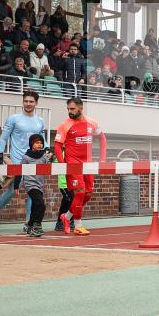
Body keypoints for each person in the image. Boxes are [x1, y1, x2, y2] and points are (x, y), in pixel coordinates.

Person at [0, 91, 46, 232]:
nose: (28, 104)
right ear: (23, 101)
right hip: (17, 159)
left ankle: (28, 222)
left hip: (34, 160)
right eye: (26, 101)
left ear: (36, 103)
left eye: (31, 101)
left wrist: (48, 150)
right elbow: (3, 138)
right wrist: (0, 157)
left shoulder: (40, 121)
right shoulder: (13, 118)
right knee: (12, 191)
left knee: (33, 191)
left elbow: (43, 140)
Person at [55, 98, 106, 235]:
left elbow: (102, 138)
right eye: (68, 109)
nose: (69, 112)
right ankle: (78, 225)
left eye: (72, 109)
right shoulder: (65, 125)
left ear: (80, 108)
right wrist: (63, 164)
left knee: (88, 194)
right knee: (80, 192)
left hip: (88, 165)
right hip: (73, 164)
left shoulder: (92, 122)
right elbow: (58, 146)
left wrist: (102, 159)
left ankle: (66, 217)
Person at [21, 134, 51, 237]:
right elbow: (20, 171)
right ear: (31, 144)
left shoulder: (43, 156)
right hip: (30, 184)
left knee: (35, 206)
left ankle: (30, 225)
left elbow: (49, 166)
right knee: (40, 204)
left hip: (39, 184)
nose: (40, 144)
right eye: (37, 142)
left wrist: (51, 157)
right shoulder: (26, 157)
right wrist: (16, 185)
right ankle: (37, 226)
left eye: (41, 143)